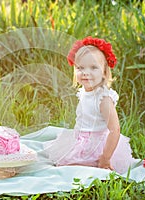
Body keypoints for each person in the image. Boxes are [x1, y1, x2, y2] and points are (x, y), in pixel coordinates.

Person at [44, 36, 137, 174]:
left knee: (75, 169)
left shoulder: (103, 99)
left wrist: (105, 158)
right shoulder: (84, 92)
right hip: (80, 138)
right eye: (80, 68)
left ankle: (97, 161)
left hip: (97, 144)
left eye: (93, 67)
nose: (86, 73)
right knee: (61, 160)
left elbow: (114, 130)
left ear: (104, 72)